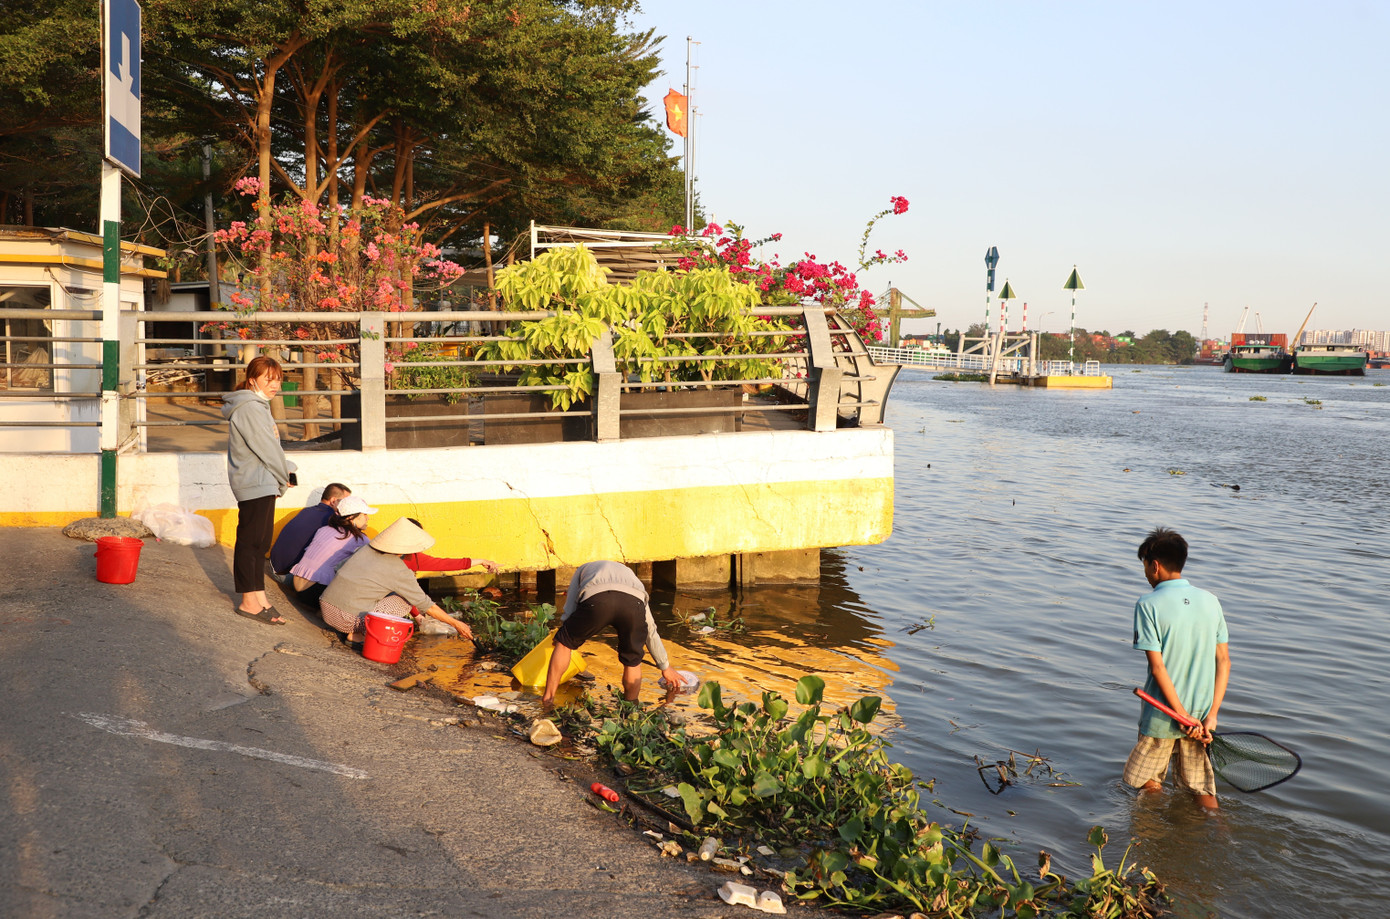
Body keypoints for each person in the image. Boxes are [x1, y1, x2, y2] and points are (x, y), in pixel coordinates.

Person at [1122, 527, 1231, 810]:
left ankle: (1153, 837)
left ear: (1154, 565)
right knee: (1202, 791)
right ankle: (1220, 834)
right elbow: (1224, 661)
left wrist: (1179, 715)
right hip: (1200, 718)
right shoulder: (1211, 601)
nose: (1145, 573)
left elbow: (1158, 667)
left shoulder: (1148, 604)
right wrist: (1210, 717)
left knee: (1146, 781)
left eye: (1145, 566)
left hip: (1163, 715)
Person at [541, 560, 681, 706]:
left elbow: (569, 610)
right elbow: (650, 630)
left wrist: (564, 637)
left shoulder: (582, 568)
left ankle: (548, 699)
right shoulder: (632, 577)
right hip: (633, 604)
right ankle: (631, 710)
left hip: (598, 600)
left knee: (565, 643)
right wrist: (665, 666)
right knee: (633, 661)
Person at [319, 518, 473, 646]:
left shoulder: (365, 549)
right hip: (346, 620)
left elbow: (339, 567)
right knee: (405, 600)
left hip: (325, 606)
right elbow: (426, 605)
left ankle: (354, 629)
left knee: (390, 593)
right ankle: (358, 636)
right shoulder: (398, 569)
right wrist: (457, 624)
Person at [223, 356, 297, 625]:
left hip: (262, 481)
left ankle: (259, 597)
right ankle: (247, 601)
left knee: (261, 542)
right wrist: (282, 477)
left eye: (277, 378)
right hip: (254, 482)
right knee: (250, 543)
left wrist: (283, 471)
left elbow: (270, 449)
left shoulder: (259, 406)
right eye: (268, 378)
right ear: (253, 379)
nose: (275, 384)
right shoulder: (250, 408)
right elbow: (265, 449)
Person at [288, 495, 378, 604]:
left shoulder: (324, 529)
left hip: (295, 583)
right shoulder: (360, 539)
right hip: (314, 592)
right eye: (365, 514)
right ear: (351, 517)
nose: (367, 518)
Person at [269, 483, 351, 578]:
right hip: (287, 575)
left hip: (273, 565)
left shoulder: (307, 511)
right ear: (333, 501)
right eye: (346, 502)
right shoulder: (332, 519)